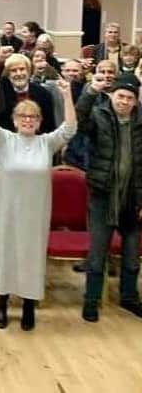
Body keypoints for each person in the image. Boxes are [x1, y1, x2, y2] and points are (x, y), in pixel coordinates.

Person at [0, 70, 77, 331]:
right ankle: (1, 302)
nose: (28, 120)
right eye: (23, 116)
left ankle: (30, 304)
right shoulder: (5, 141)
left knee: (32, 257)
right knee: (7, 254)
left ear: (40, 121)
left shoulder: (47, 143)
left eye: (33, 117)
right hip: (7, 210)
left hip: (36, 212)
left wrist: (66, 94)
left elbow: (70, 128)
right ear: (14, 120)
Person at [77, 73, 142, 322]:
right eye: (120, 96)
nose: (124, 102)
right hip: (103, 195)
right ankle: (91, 301)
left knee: (131, 255)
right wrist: (90, 93)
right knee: (97, 254)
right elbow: (79, 122)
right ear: (111, 96)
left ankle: (129, 298)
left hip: (131, 198)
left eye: (129, 98)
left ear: (135, 101)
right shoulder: (99, 115)